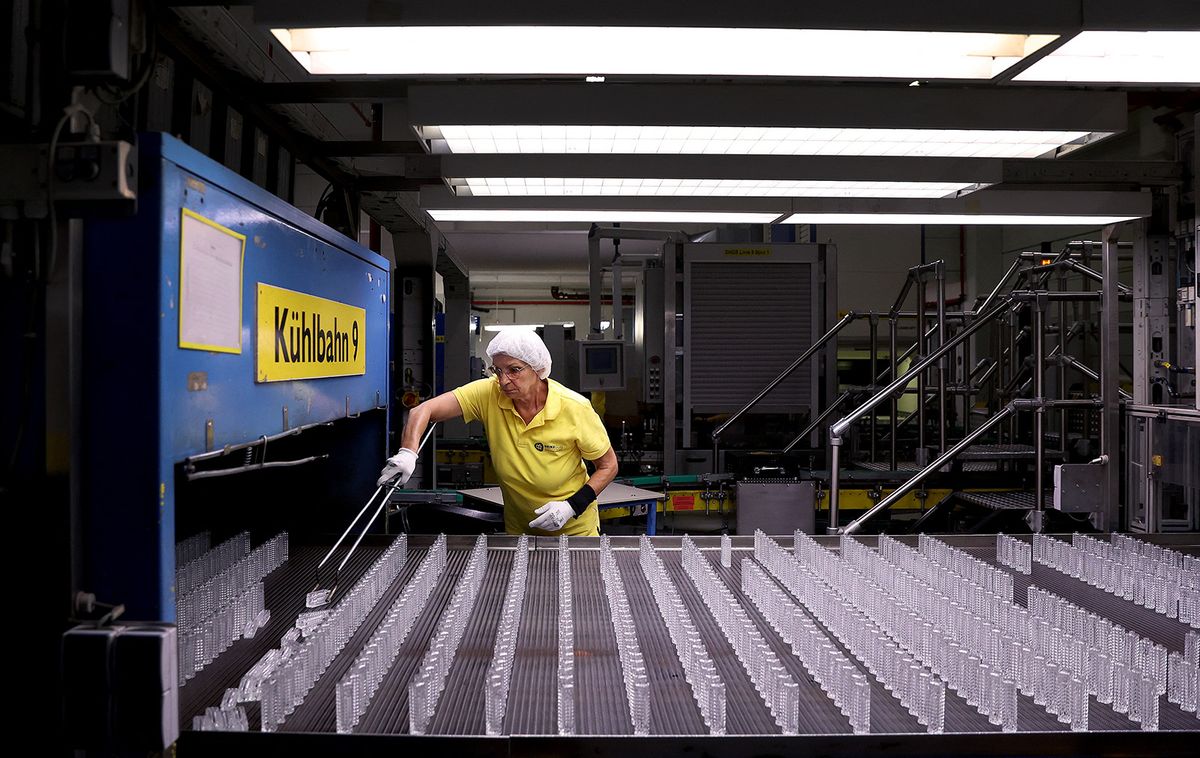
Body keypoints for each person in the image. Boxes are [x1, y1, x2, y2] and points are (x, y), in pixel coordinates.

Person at [377, 329, 617, 536]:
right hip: (519, 531)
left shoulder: (574, 408)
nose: (503, 380)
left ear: (538, 369)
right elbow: (423, 410)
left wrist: (572, 506)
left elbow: (608, 466)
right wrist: (408, 452)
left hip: (575, 531)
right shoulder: (489, 394)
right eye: (497, 370)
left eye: (514, 370)